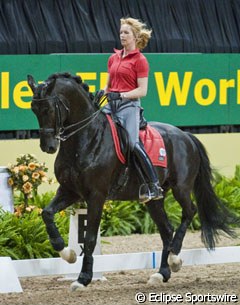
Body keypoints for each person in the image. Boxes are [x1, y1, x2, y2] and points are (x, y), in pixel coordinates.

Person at [103, 17, 163, 203]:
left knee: (131, 142)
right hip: (110, 104)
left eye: (126, 32)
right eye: (121, 32)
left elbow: (142, 91)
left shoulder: (140, 60)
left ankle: (154, 185)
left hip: (129, 106)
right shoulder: (113, 58)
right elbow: (108, 85)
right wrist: (102, 94)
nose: (122, 35)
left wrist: (121, 95)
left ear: (135, 37)